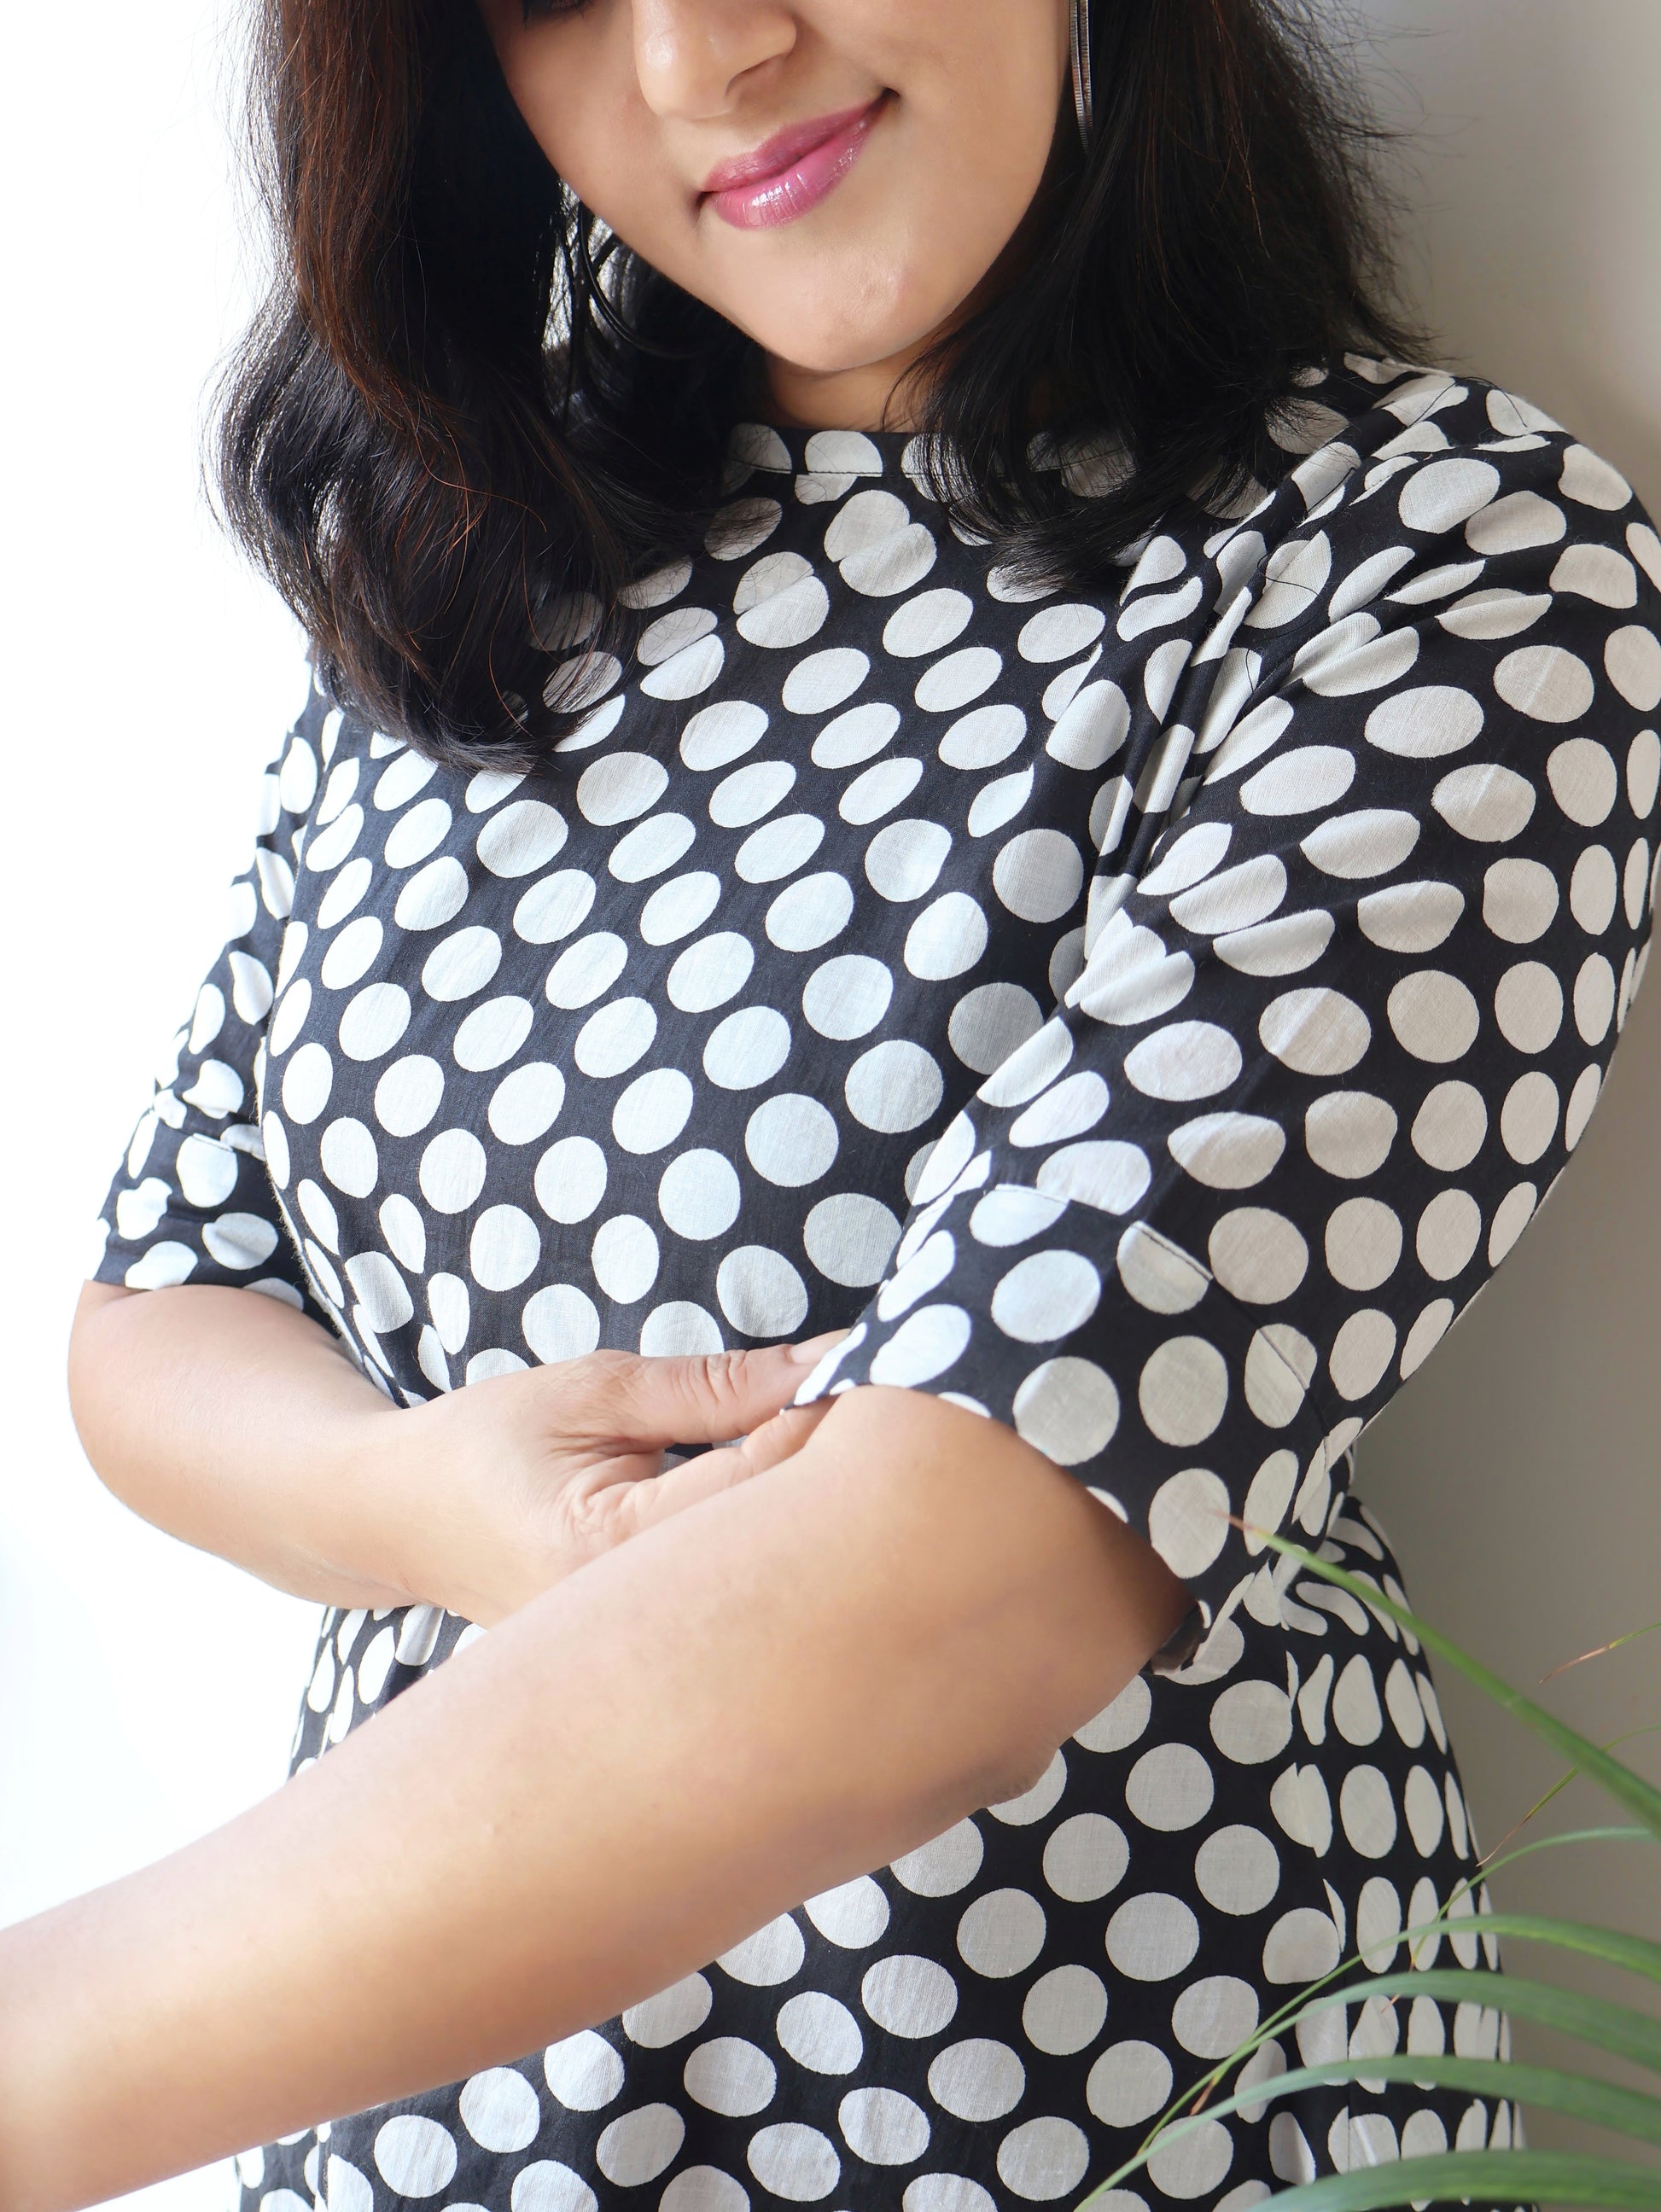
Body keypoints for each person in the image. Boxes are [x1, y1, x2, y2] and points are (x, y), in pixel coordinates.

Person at [5, 0, 1658, 2205]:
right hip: (447, 2147)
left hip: (1098, 2121)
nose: (706, 51)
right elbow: (159, 1311)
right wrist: (446, 1509)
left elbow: (964, 1566)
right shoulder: (474, 560)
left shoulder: (1436, 559)